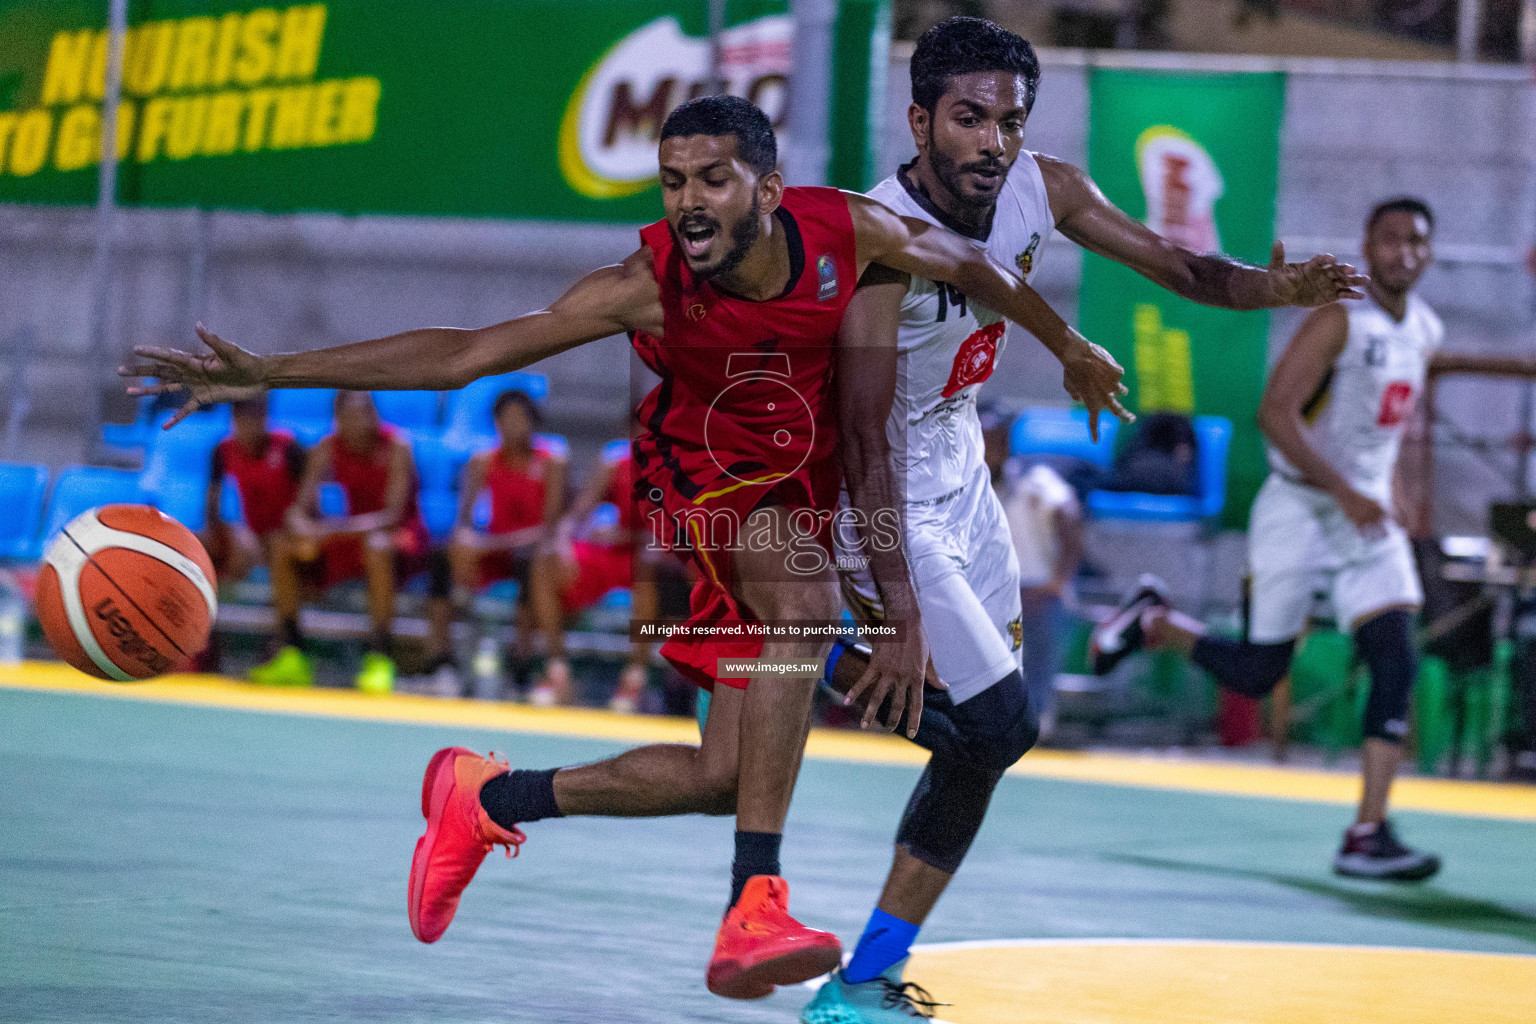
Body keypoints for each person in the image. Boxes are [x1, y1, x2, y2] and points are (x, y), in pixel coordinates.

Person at [122, 94, 1131, 999]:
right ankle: (756, 902)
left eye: (713, 180)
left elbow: (971, 266)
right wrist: (274, 371)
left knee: (718, 777)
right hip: (711, 489)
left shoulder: (848, 233)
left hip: (802, 492)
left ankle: (486, 796)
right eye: (673, 181)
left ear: (770, 189)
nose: (688, 202)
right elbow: (469, 352)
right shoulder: (646, 285)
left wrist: (1071, 345)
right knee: (802, 597)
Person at [807, 18, 1367, 1021]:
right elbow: (860, 438)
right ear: (919, 119)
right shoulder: (878, 245)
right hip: (882, 497)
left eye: (1009, 122)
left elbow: (1186, 268)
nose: (992, 142)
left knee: (987, 743)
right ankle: (804, 653)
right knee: (997, 725)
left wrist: (1279, 288)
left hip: (962, 479)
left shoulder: (1046, 187)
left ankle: (864, 980)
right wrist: (896, 611)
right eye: (969, 118)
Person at [1092, 197, 1445, 881]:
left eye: (1417, 241)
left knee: (1396, 660)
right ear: (1367, 248)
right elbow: (1275, 416)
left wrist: (1394, 493)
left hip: (1366, 518)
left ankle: (1367, 833)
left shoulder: (1425, 330)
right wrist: (1344, 488)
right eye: (1391, 239)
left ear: (1429, 252)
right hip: (1303, 506)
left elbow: (1384, 430)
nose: (1404, 251)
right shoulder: (1340, 320)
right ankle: (1156, 623)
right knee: (1260, 673)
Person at [254, 390, 436, 694]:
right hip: (345, 538)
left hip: (399, 539)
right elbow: (298, 510)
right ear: (337, 419)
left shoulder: (397, 446)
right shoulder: (326, 448)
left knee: (377, 547)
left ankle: (380, 656)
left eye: (363, 413)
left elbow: (392, 516)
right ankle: (291, 653)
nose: (357, 421)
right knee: (283, 546)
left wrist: (330, 532)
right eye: (348, 415)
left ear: (374, 414)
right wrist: (304, 529)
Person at [423, 389, 567, 700]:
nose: (513, 425)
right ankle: (442, 661)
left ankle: (522, 666)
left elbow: (550, 528)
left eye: (520, 418)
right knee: (441, 556)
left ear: (533, 421)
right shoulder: (483, 460)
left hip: (530, 551)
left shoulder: (552, 461)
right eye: (505, 419)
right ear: (496, 423)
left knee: (532, 562)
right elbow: (463, 521)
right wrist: (464, 539)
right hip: (494, 552)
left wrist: (488, 545)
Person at [528, 437, 656, 713]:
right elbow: (576, 515)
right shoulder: (617, 462)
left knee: (649, 566)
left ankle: (634, 680)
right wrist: (562, 543)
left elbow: (685, 530)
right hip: (616, 556)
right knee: (546, 562)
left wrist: (624, 535)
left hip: (659, 558)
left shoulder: (690, 464)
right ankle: (557, 670)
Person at [199, 395, 305, 671]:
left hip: (289, 538)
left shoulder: (289, 448)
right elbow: (212, 506)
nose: (250, 425)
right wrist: (223, 537)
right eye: (242, 418)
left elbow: (308, 504)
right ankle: (198, 643)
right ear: (233, 420)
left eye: (256, 417)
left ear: (265, 417)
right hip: (251, 539)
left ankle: (287, 644)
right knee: (193, 544)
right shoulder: (222, 451)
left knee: (281, 547)